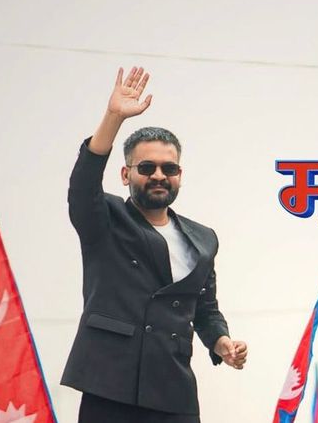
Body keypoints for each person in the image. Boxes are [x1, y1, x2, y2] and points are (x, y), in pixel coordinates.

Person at [61, 66, 247, 423]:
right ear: (125, 174)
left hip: (173, 389)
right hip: (110, 384)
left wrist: (221, 342)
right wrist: (113, 117)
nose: (159, 175)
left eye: (169, 168)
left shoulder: (203, 238)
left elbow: (205, 309)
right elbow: (83, 186)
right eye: (147, 167)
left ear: (180, 175)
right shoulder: (106, 219)